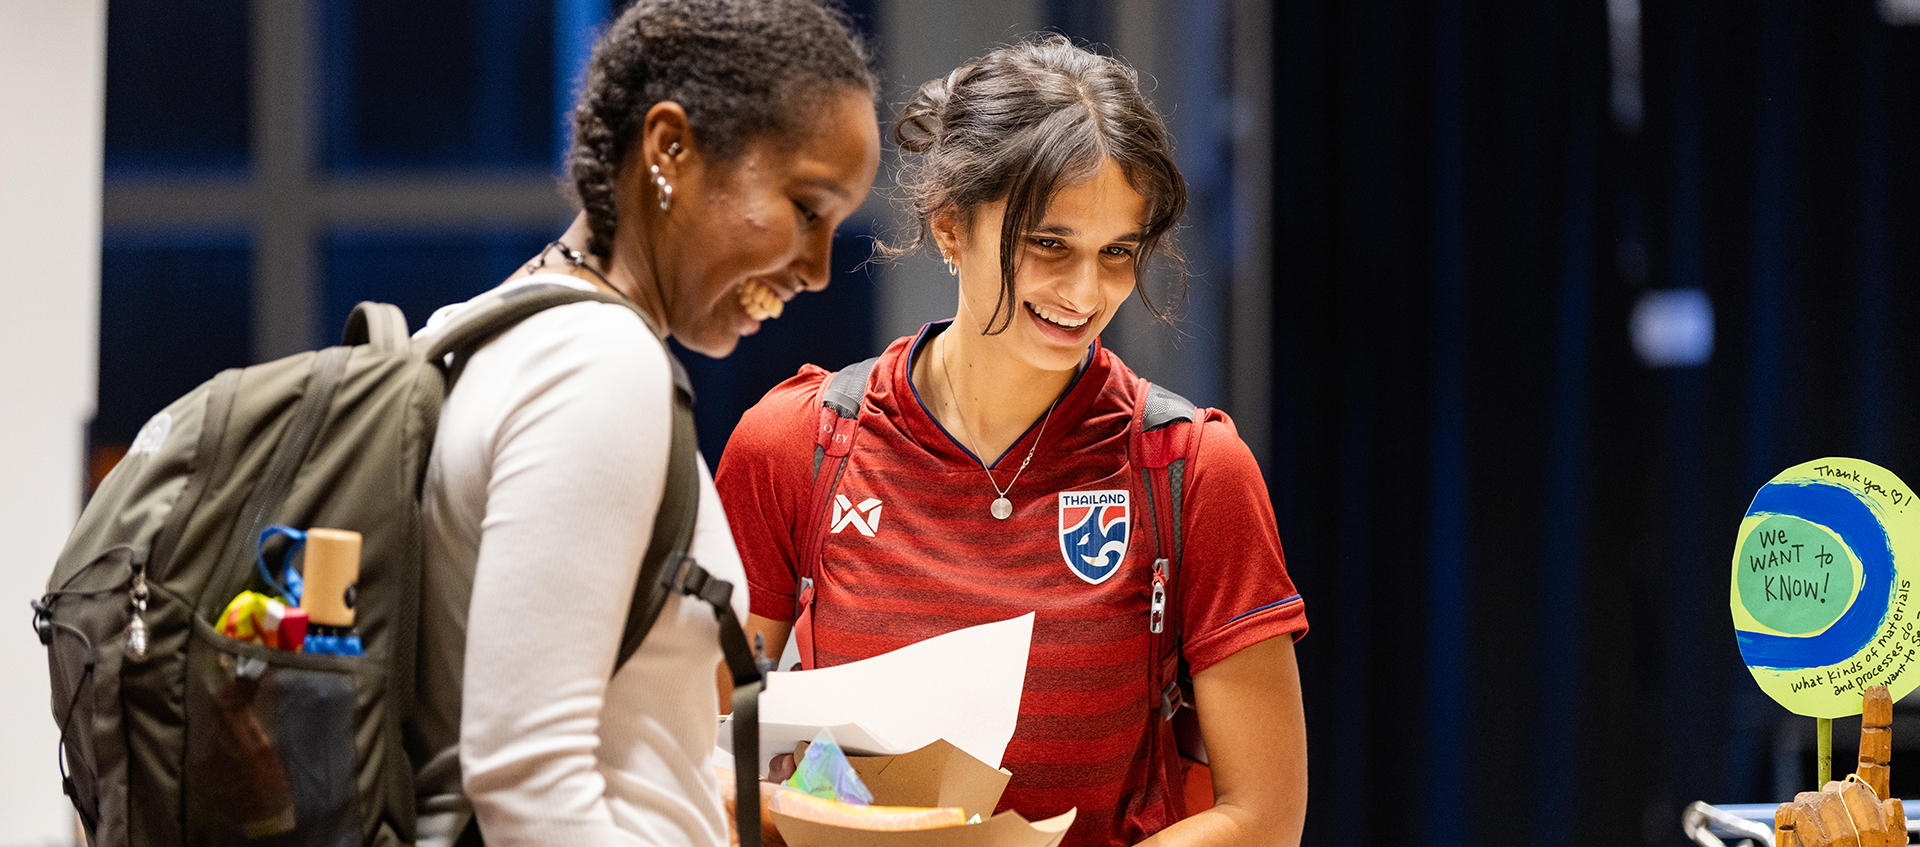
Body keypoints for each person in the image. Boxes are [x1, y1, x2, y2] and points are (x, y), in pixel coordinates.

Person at [715, 35, 1307, 847]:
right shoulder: (798, 443)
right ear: (950, 224)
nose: (1084, 292)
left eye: (1117, 254)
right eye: (1049, 244)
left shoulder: (1193, 470)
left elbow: (1264, 817)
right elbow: (702, 763)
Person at [408, 1, 880, 845]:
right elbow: (528, 778)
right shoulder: (600, 367)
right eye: (808, 208)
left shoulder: (480, 327)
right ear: (670, 149)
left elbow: (609, 744)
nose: (816, 270)